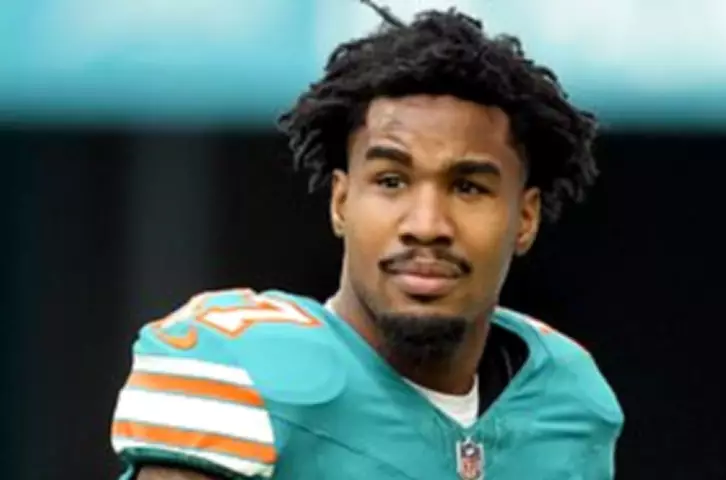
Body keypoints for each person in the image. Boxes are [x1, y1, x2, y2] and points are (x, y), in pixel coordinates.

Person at [110, 4, 624, 480]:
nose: (427, 224)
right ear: (341, 201)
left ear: (526, 217)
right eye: (391, 181)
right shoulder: (236, 368)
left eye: (468, 187)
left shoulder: (568, 403)